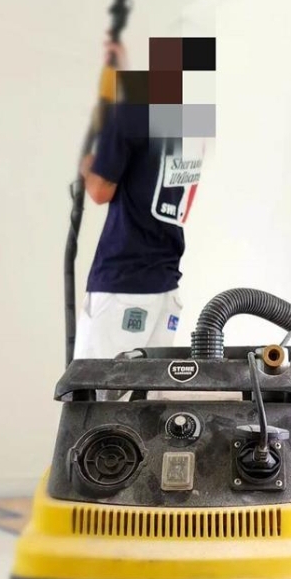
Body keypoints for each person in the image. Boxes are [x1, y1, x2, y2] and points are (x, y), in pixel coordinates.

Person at [74, 38, 204, 359]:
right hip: (165, 288)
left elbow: (100, 190)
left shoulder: (132, 115)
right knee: (146, 389)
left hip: (123, 283)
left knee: (93, 389)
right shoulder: (194, 122)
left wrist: (88, 165)